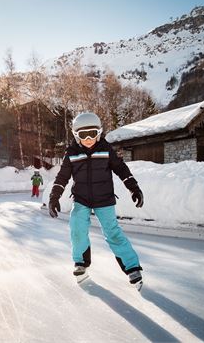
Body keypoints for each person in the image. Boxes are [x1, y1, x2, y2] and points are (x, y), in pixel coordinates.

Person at [48, 112, 145, 289]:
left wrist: (134, 188)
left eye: (92, 133)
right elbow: (62, 177)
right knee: (77, 227)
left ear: (99, 132)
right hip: (81, 199)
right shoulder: (72, 153)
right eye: (83, 135)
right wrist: (54, 196)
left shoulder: (106, 149)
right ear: (76, 135)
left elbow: (121, 169)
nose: (88, 138)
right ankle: (81, 263)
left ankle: (132, 267)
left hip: (104, 198)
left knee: (112, 232)